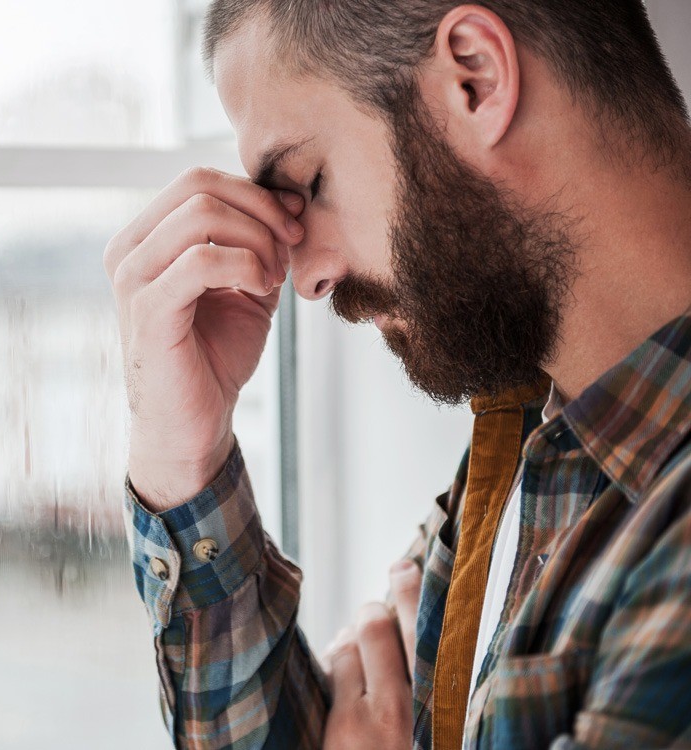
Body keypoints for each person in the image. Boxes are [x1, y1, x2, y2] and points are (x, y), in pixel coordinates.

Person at [102, 1, 691, 747]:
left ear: (474, 78)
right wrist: (182, 456)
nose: (306, 278)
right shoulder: (527, 451)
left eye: (309, 183)